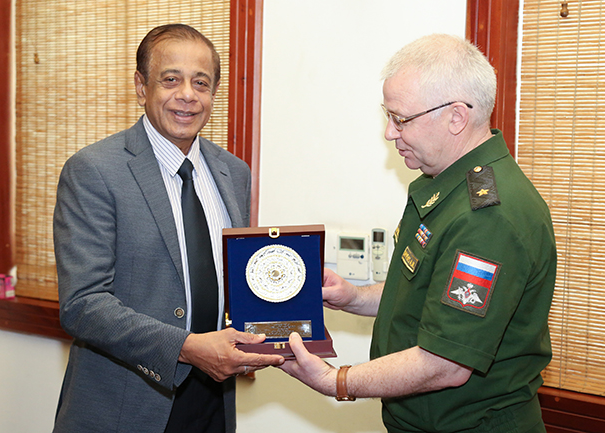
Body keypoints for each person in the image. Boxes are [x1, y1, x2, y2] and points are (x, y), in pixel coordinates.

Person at [280, 34, 556, 433]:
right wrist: (356, 298)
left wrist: (335, 381)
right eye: (387, 116)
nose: (390, 133)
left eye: (401, 119)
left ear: (456, 117)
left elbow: (445, 364)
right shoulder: (445, 186)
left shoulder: (488, 216)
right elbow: (425, 293)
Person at [52, 24, 284, 433]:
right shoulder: (94, 171)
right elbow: (83, 304)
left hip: (214, 400)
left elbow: (235, 282)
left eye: (201, 82)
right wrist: (187, 348)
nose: (187, 95)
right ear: (142, 86)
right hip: (127, 402)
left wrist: (273, 323)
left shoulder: (234, 172)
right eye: (171, 79)